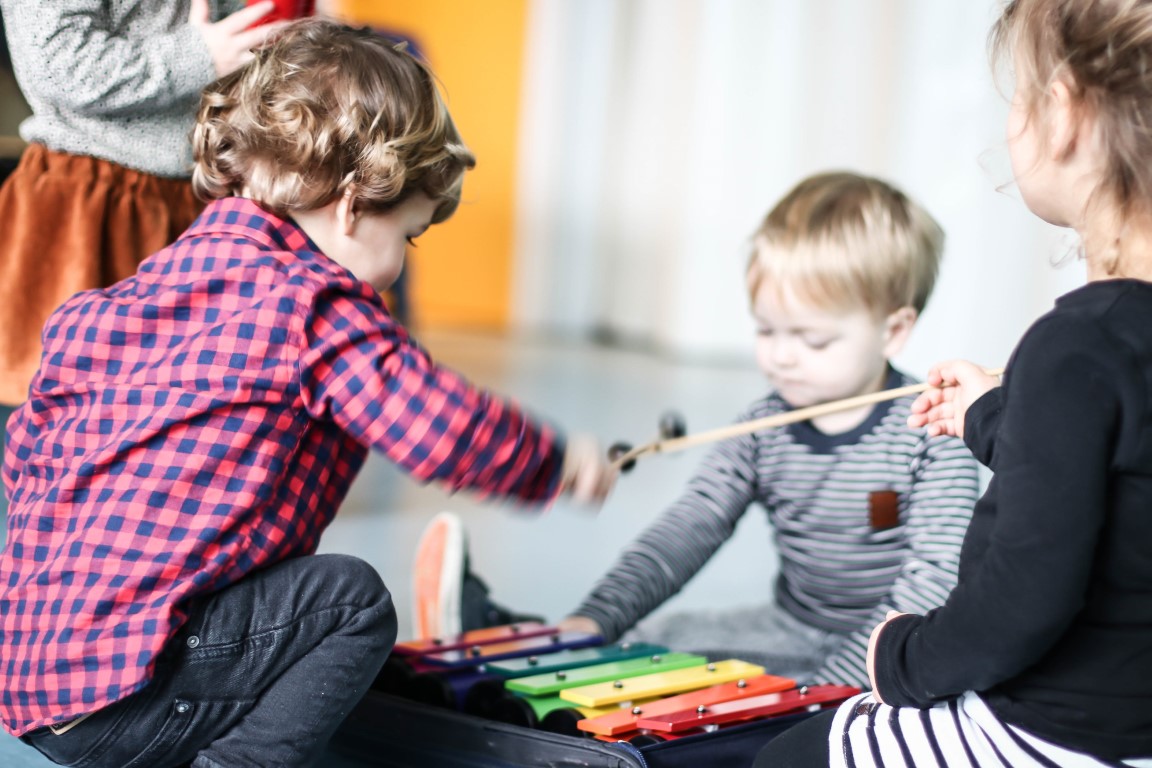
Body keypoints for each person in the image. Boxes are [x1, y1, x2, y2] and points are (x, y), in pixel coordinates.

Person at [0, 20, 615, 768]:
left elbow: (27, 439)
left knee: (272, 593)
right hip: (131, 693)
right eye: (409, 236)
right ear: (354, 206)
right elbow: (435, 424)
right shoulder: (317, 308)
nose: (397, 267)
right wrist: (554, 463)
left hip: (36, 679)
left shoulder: (173, 272)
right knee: (348, 603)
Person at [754, 1, 1152, 766]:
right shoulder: (1097, 357)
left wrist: (902, 657)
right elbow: (1108, 468)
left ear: (1062, 112)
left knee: (787, 757)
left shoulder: (1074, 346)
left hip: (1056, 734)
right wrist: (993, 412)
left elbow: (1021, 603)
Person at [417, 171, 980, 690]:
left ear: (894, 331)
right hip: (792, 627)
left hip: (902, 645)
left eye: (812, 340)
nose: (781, 357)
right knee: (654, 643)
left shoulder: (935, 432)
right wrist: (594, 619)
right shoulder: (763, 428)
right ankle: (527, 639)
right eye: (766, 330)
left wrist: (835, 687)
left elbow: (930, 584)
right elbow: (686, 532)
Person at [0, 0, 289, 419]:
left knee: (192, 420)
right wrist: (197, 56)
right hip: (90, 201)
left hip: (205, 196)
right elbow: (57, 62)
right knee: (66, 418)